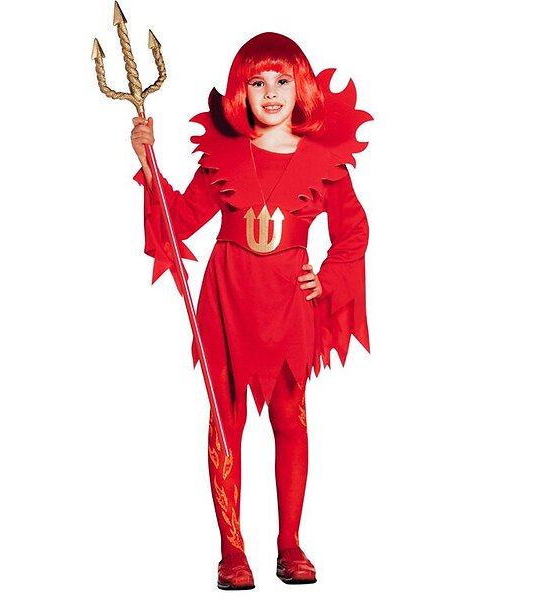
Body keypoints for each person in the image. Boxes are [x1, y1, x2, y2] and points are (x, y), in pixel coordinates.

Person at [130, 31, 371, 590]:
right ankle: (232, 551)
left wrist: (328, 278)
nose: (271, 93)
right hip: (228, 299)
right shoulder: (223, 156)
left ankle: (289, 543)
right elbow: (178, 219)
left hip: (290, 301)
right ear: (242, 89)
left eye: (282, 81)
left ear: (300, 87)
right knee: (226, 419)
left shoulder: (327, 161)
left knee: (290, 416)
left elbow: (354, 233)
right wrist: (147, 162)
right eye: (257, 82)